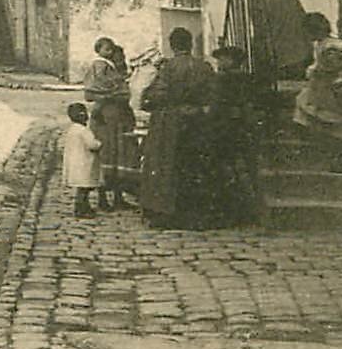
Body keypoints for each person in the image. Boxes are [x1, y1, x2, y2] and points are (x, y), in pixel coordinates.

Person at [139, 27, 220, 228]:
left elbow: (154, 96)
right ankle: (196, 215)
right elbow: (214, 95)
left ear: (172, 45)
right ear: (190, 44)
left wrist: (149, 100)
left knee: (167, 166)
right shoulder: (204, 67)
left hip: (170, 124)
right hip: (198, 122)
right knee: (195, 166)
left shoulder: (168, 68)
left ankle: (167, 213)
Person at [294, 13, 342, 169]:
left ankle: (341, 158)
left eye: (308, 31)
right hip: (324, 88)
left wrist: (317, 71)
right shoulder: (321, 44)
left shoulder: (331, 47)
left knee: (334, 124)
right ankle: (334, 156)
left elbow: (333, 66)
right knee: (318, 117)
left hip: (335, 88)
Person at [207, 44, 261, 225]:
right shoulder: (248, 79)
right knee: (245, 168)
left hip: (226, 128)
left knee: (225, 168)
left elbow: (215, 105)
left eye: (222, 59)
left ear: (231, 61)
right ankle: (251, 208)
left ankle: (232, 210)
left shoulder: (222, 80)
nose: (219, 63)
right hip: (245, 128)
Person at [83, 36, 135, 209]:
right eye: (119, 60)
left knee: (120, 156)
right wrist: (113, 94)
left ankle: (119, 197)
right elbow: (90, 94)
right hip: (105, 120)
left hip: (120, 119)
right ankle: (103, 198)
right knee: (105, 155)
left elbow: (126, 95)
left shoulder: (117, 74)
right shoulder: (101, 70)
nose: (122, 63)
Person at [61, 102, 101, 219]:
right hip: (84, 163)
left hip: (75, 162)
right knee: (84, 188)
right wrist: (99, 143)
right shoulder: (84, 131)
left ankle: (84, 207)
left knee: (82, 188)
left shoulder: (72, 129)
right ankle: (81, 209)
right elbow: (92, 145)